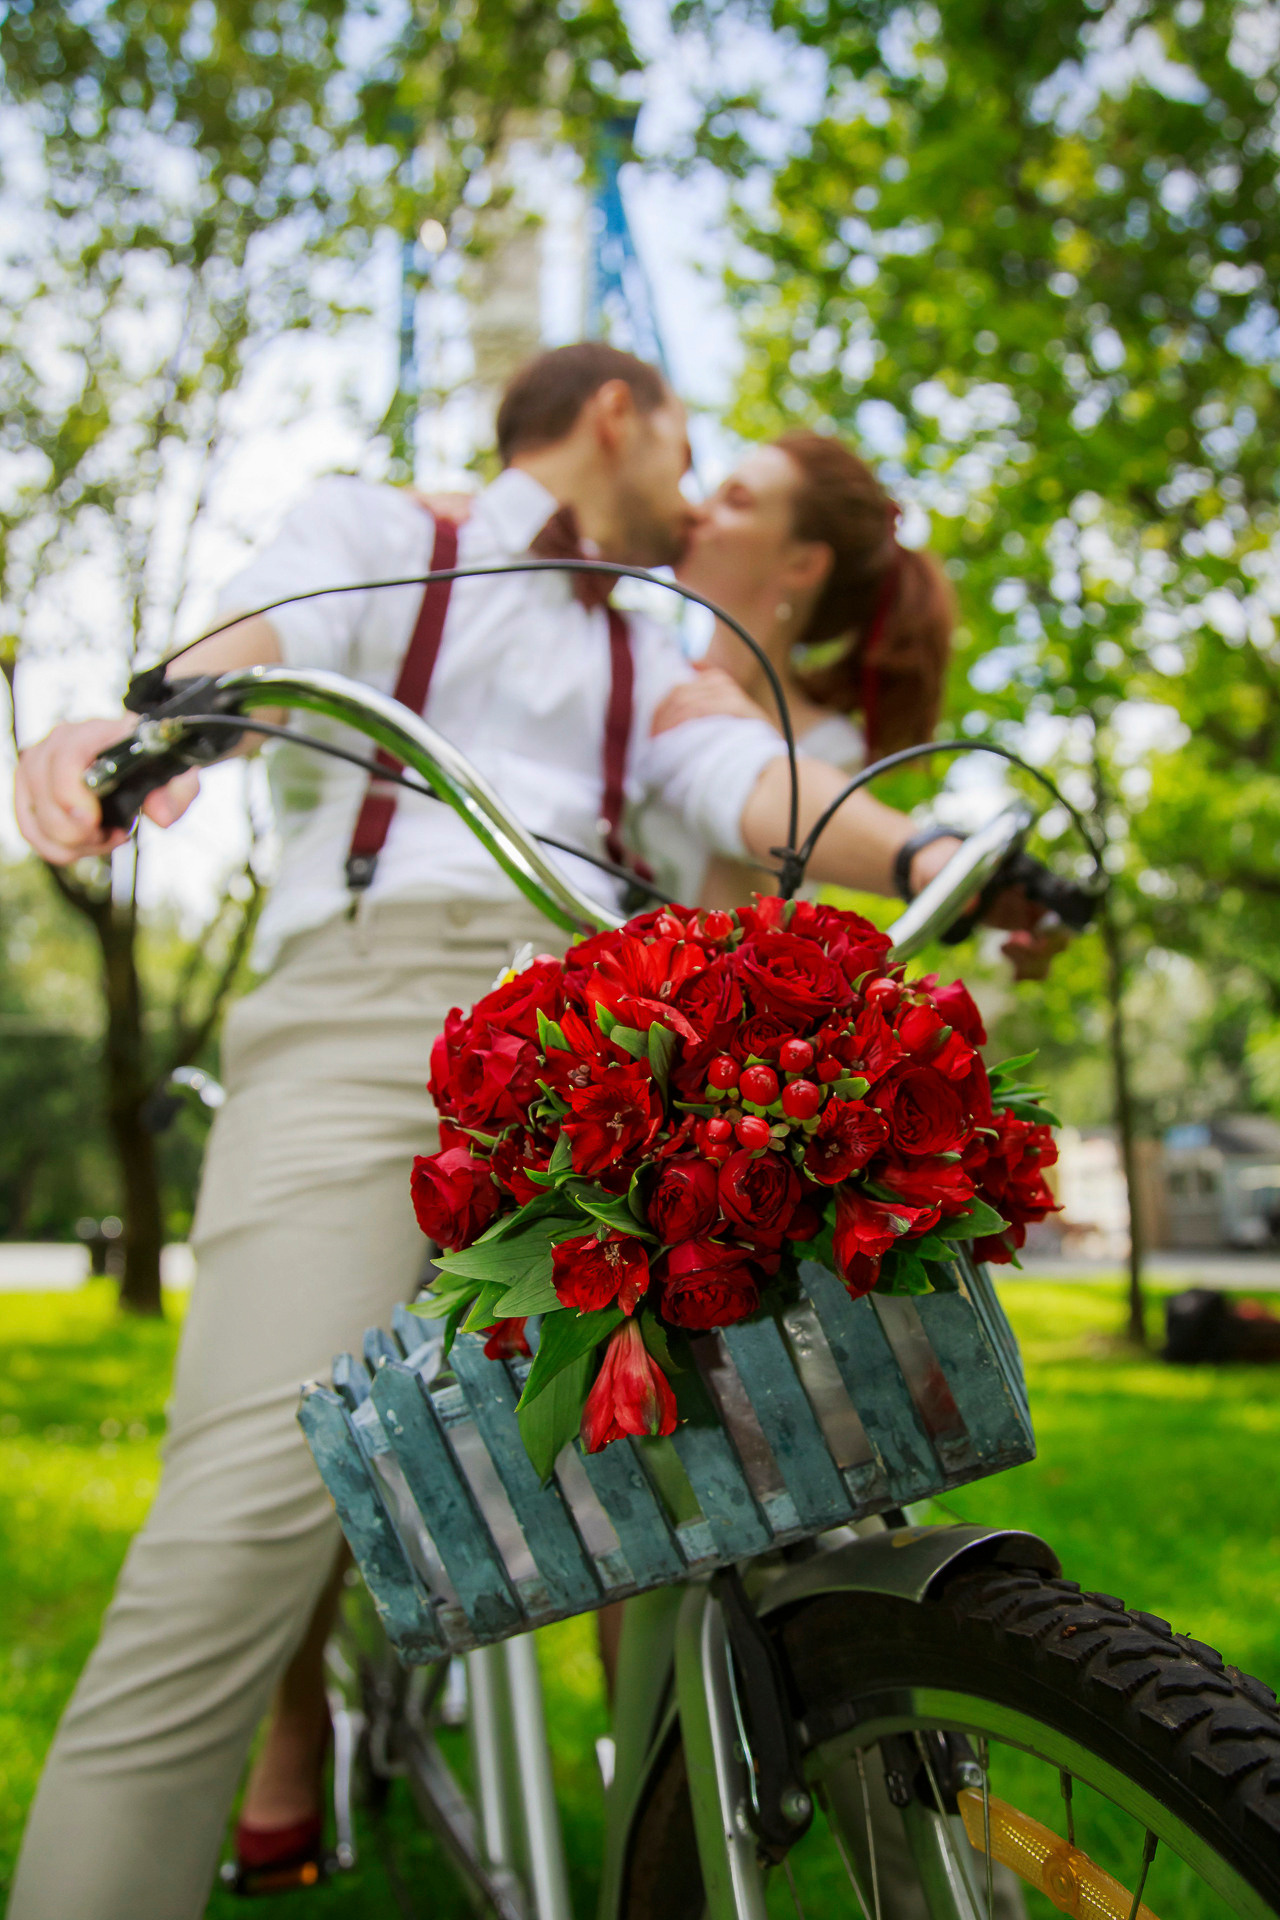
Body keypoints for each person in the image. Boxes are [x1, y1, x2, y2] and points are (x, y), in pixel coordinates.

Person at [10, 343, 1032, 1920]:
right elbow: (271, 629)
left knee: (769, 1480)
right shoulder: (385, 534)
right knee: (231, 1543)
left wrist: (939, 843)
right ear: (620, 413)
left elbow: (738, 775)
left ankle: (694, 1864)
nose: (696, 495)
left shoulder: (656, 642)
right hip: (362, 1018)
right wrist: (159, 720)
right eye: (690, 447)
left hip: (604, 1032)